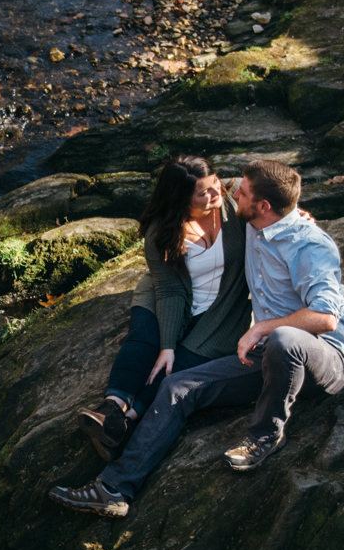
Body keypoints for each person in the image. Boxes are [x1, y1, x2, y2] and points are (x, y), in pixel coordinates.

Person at [49, 159, 344, 518]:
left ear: (262, 206)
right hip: (270, 357)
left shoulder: (310, 245)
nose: (230, 193)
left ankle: (265, 436)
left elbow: (326, 318)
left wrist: (260, 328)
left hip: (324, 359)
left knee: (285, 338)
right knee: (178, 386)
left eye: (241, 192)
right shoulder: (253, 225)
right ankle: (114, 488)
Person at [73, 155, 252, 460]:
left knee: (179, 366)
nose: (214, 195)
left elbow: (274, 202)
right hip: (166, 292)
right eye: (203, 193)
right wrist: (166, 344)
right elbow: (168, 290)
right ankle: (111, 408)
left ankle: (124, 424)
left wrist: (297, 216)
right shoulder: (162, 232)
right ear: (181, 199)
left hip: (218, 310)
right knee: (146, 340)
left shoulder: (234, 198)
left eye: (215, 185)